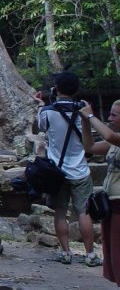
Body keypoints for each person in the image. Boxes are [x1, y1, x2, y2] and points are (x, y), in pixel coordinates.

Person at [36, 71, 100, 266]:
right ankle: (90, 255)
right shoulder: (84, 112)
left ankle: (66, 253)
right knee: (84, 212)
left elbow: (40, 127)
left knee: (60, 212)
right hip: (80, 170)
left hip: (58, 171)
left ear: (57, 88)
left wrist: (40, 105)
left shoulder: (48, 111)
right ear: (76, 90)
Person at [80, 99, 120, 282]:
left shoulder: (115, 139)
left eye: (114, 115)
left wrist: (90, 115)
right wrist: (85, 122)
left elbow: (110, 137)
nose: (110, 118)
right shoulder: (113, 143)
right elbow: (90, 147)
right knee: (114, 254)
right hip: (110, 204)